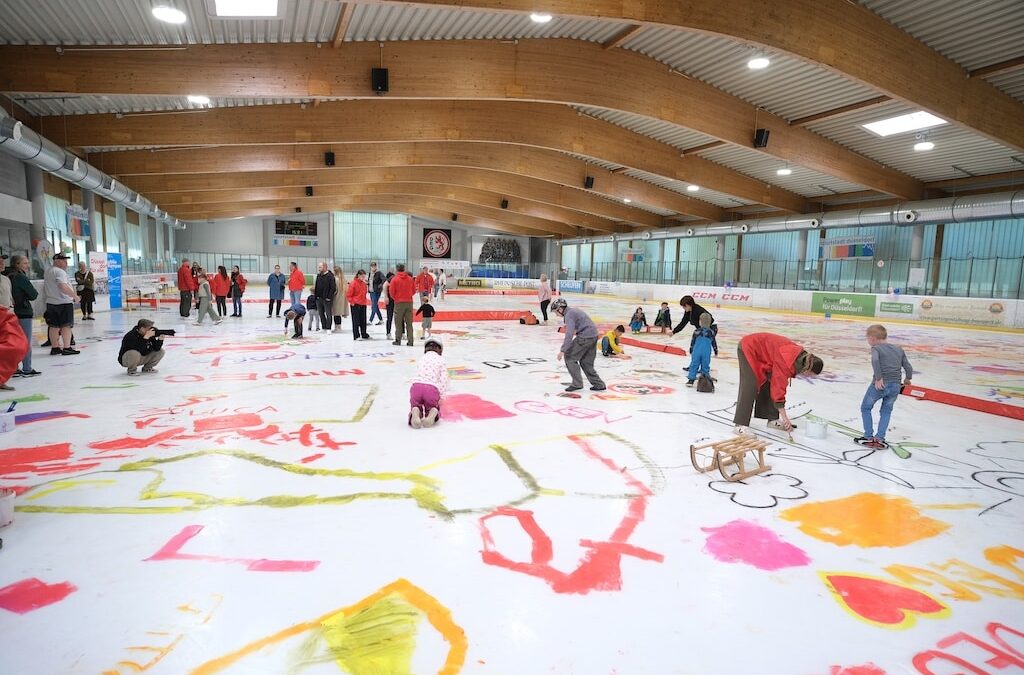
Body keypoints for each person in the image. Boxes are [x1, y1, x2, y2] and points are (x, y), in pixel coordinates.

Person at [733, 332, 823, 433]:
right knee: (750, 384)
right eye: (811, 375)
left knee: (770, 381)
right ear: (808, 369)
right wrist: (785, 418)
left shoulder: (799, 359)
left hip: (763, 352)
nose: (810, 377)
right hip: (749, 347)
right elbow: (778, 389)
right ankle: (740, 425)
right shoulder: (787, 361)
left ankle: (772, 419)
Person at [857, 324, 914, 450]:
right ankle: (880, 437)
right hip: (895, 386)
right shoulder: (899, 349)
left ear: (872, 338)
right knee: (886, 411)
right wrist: (908, 378)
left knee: (865, 408)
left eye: (868, 339)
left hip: (880, 385)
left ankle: (868, 436)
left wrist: (878, 378)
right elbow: (908, 366)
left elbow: (875, 361)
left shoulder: (876, 349)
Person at [551, 298, 605, 392]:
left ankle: (577, 383)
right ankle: (599, 384)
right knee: (586, 362)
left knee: (569, 357)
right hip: (593, 336)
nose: (556, 314)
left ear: (560, 309)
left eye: (556, 312)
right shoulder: (573, 311)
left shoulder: (569, 315)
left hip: (584, 337)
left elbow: (569, 333)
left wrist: (563, 350)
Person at [9, 255, 40, 378]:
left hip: (10, 312)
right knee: (25, 341)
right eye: (25, 263)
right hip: (23, 312)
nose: (28, 265)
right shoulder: (20, 277)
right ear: (17, 264)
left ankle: (14, 368)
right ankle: (27, 368)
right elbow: (33, 294)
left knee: (12, 341)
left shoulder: (8, 276)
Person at [44, 253, 79, 356]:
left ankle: (55, 348)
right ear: (57, 261)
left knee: (53, 326)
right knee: (66, 326)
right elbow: (62, 286)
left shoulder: (48, 271)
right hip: (63, 302)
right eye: (64, 260)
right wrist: (74, 296)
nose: (66, 263)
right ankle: (67, 347)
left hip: (51, 302)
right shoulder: (60, 272)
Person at [409, 336, 448, 429]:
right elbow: (444, 379)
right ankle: (432, 414)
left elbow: (417, 373)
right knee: (432, 407)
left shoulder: (422, 358)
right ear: (440, 349)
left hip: (416, 387)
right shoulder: (441, 360)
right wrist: (441, 396)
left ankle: (415, 412)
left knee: (416, 405)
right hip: (431, 389)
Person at [687, 313, 718, 386]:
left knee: (694, 365)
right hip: (706, 352)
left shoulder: (696, 331)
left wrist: (691, 349)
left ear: (700, 321)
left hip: (696, 351)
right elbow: (714, 343)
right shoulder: (711, 332)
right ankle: (705, 380)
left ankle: (691, 380)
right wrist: (715, 350)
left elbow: (693, 341)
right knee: (705, 365)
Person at [390, 263, 415, 347]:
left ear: (397, 269)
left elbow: (391, 292)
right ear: (404, 269)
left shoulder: (394, 279)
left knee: (398, 323)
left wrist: (396, 298)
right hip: (409, 302)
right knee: (409, 323)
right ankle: (410, 341)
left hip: (399, 303)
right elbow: (414, 290)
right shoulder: (410, 279)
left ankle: (398, 340)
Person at [346, 269, 371, 340]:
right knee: (356, 320)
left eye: (364, 276)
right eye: (362, 276)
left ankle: (364, 334)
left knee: (363, 320)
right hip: (355, 304)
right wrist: (352, 302)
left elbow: (364, 293)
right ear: (358, 275)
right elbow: (348, 295)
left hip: (363, 304)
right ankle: (356, 335)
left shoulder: (363, 284)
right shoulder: (353, 283)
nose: (363, 278)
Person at [314, 262, 336, 331]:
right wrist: (316, 296)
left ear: (325, 267)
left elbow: (333, 288)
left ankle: (328, 328)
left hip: (327, 299)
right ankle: (324, 327)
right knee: (321, 313)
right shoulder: (318, 276)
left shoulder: (330, 276)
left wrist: (329, 297)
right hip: (319, 298)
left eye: (320, 267)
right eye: (319, 267)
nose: (319, 268)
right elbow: (316, 286)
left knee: (328, 313)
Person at [332, 265, 349, 334]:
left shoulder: (335, 279)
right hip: (342, 298)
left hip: (336, 298)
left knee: (336, 313)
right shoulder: (344, 279)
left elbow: (334, 290)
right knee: (339, 313)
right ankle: (339, 326)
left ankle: (337, 327)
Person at [382, 270, 396, 340]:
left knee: (400, 317)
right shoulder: (393, 278)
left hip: (398, 300)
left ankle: (402, 333)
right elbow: (384, 285)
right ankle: (388, 333)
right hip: (390, 300)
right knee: (389, 317)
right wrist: (386, 296)